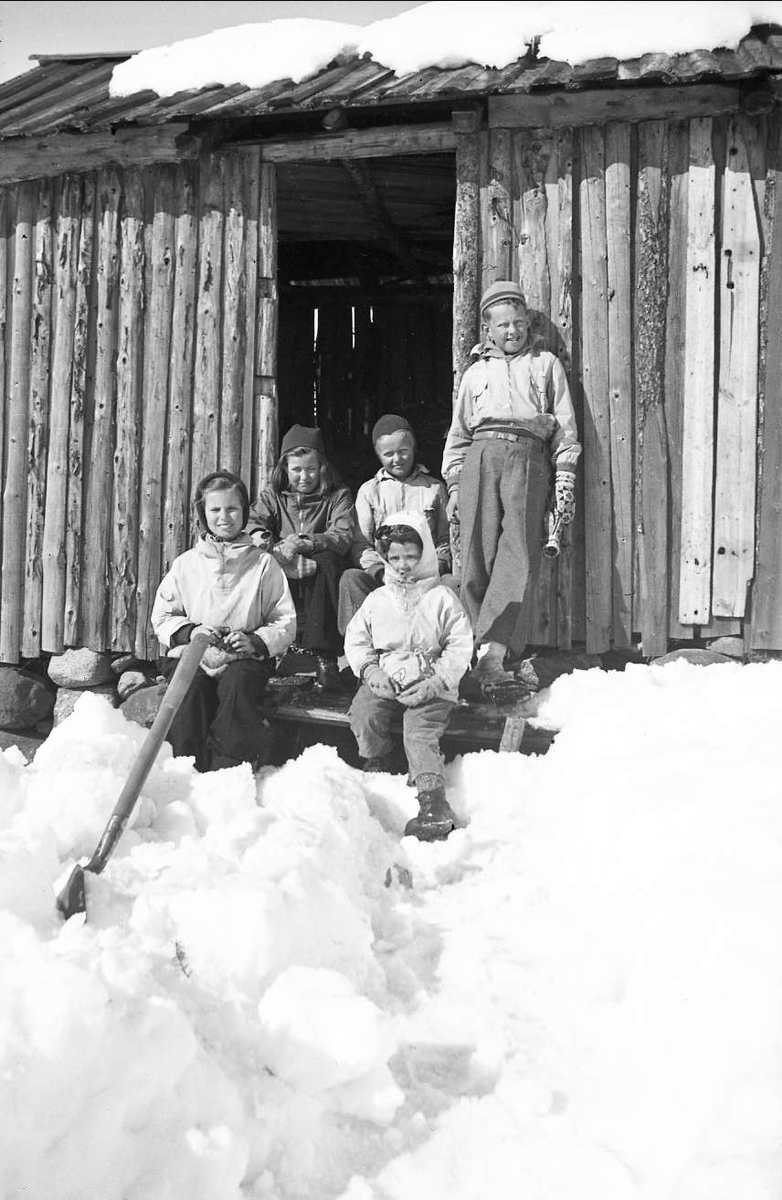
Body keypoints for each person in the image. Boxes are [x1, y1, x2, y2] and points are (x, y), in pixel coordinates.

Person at [442, 279, 581, 686]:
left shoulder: (545, 365)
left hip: (527, 458)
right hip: (481, 458)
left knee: (518, 551)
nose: (512, 332)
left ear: (527, 323)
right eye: (502, 325)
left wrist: (565, 476)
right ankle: (470, 649)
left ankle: (496, 654)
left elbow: (565, 428)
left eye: (518, 322)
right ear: (489, 330)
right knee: (474, 552)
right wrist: (453, 485)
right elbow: (458, 434)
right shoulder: (475, 373)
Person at [151, 469, 296, 772]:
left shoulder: (262, 563)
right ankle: (186, 765)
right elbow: (162, 616)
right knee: (189, 689)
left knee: (238, 687)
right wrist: (190, 633)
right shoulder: (187, 564)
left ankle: (228, 768)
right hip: (194, 653)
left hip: (242, 656)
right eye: (215, 509)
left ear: (244, 511)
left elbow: (284, 619)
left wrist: (255, 640)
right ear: (203, 514)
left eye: (232, 508)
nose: (224, 517)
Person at [344, 510, 473, 842]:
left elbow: (460, 644)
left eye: (411, 557)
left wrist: (438, 681)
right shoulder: (377, 599)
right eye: (396, 557)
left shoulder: (441, 597)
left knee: (419, 732)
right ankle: (379, 761)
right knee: (365, 714)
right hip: (388, 672)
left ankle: (433, 804)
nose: (403, 565)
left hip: (431, 677)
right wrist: (371, 670)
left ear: (425, 555)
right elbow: (357, 639)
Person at [247, 425, 355, 691]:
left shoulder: (337, 495)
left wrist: (304, 543)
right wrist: (278, 550)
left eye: (310, 469)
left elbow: (342, 535)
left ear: (322, 468)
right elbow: (251, 525)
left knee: (328, 560)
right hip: (283, 563)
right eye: (296, 470)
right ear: (285, 469)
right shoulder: (272, 496)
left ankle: (323, 656)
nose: (304, 477)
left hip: (318, 566)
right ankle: (266, 648)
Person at [338, 414, 453, 640]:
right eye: (388, 454)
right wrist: (382, 573)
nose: (397, 459)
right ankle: (362, 655)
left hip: (425, 576)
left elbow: (445, 540)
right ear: (378, 455)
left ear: (413, 448)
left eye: (403, 451)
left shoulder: (435, 489)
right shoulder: (369, 492)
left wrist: (433, 568)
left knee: (453, 584)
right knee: (351, 578)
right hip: (385, 577)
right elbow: (361, 545)